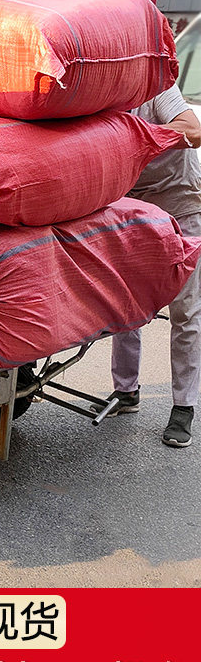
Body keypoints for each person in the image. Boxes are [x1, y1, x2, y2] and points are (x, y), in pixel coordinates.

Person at [101, 83, 201, 447]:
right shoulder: (101, 98)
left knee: (185, 311)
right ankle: (126, 391)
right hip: (136, 209)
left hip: (182, 203)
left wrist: (137, 137)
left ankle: (184, 406)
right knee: (128, 303)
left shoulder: (157, 90)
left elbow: (193, 130)